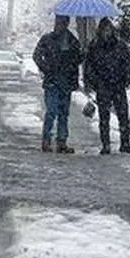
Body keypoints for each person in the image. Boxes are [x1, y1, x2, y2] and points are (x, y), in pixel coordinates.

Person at [86, 18, 130, 155]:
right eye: (104, 30)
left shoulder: (120, 45)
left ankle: (125, 144)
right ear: (100, 31)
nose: (107, 32)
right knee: (104, 117)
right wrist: (93, 82)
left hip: (118, 84)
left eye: (109, 29)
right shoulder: (95, 46)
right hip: (103, 85)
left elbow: (128, 62)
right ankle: (106, 144)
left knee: (123, 116)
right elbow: (89, 66)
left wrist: (126, 78)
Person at [33, 15, 82, 154]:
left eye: (63, 23)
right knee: (52, 111)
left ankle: (61, 141)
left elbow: (77, 60)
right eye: (59, 23)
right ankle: (47, 139)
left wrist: (77, 58)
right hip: (52, 81)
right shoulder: (47, 39)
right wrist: (46, 68)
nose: (60, 25)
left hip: (65, 81)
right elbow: (36, 55)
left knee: (63, 113)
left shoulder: (72, 41)